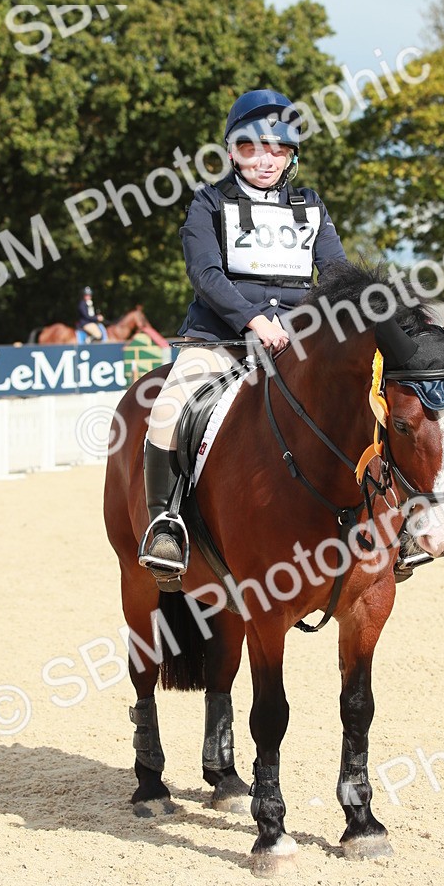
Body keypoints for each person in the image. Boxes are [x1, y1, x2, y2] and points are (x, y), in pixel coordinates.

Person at [139, 88, 347, 590]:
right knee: (170, 408)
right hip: (222, 341)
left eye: (278, 150)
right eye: (252, 148)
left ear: (291, 156)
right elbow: (206, 275)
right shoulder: (209, 203)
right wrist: (254, 320)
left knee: (366, 400)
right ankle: (164, 524)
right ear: (232, 151)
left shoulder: (310, 206)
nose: (265, 159)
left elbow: (338, 272)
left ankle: (396, 520)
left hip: (300, 341)